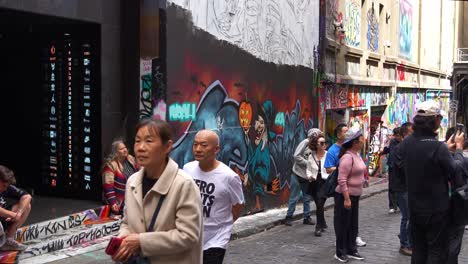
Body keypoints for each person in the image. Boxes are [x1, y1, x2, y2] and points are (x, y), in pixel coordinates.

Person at [113, 119, 202, 264]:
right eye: (137, 141)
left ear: (167, 146)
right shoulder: (132, 182)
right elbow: (127, 222)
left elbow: (188, 235)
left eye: (148, 141)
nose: (140, 148)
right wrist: (123, 241)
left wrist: (141, 242)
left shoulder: (183, 185)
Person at [398, 100, 465, 264]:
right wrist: (459, 150)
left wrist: (444, 150)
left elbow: (414, 161)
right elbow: (456, 173)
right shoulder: (437, 148)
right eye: (440, 118)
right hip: (437, 210)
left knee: (419, 251)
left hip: (415, 208)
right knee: (436, 251)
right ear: (434, 119)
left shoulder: (407, 143)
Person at [183, 130, 244, 264]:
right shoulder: (187, 169)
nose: (198, 149)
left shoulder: (229, 177)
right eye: (195, 145)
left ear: (216, 149)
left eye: (204, 145)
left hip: (216, 239)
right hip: (191, 235)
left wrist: (224, 224)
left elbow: (238, 205)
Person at [325, 124, 366, 247]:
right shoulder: (339, 153)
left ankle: (352, 241)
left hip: (354, 192)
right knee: (343, 220)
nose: (347, 133)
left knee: (352, 221)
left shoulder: (355, 153)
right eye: (345, 131)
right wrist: (346, 197)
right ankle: (341, 244)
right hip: (344, 191)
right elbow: (332, 172)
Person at [333, 127, 367, 263]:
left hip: (355, 196)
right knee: (343, 224)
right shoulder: (347, 157)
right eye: (361, 139)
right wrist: (346, 198)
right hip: (345, 196)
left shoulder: (356, 155)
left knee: (353, 224)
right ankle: (340, 252)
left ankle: (351, 249)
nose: (363, 141)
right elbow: (342, 180)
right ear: (354, 142)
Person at [284, 128, 322, 226]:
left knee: (307, 198)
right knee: (294, 197)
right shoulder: (305, 143)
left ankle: (307, 217)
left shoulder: (318, 147)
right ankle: (288, 217)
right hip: (297, 174)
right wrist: (308, 163)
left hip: (307, 177)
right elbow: (296, 156)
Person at [445, 127, 467, 264]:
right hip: (456, 209)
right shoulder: (461, 159)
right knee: (453, 245)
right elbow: (458, 170)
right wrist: (458, 149)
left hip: (438, 208)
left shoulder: (438, 155)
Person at [393, 122, 414, 256]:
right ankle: (404, 245)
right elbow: (402, 167)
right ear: (406, 133)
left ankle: (406, 238)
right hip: (402, 187)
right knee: (406, 217)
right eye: (412, 132)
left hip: (409, 187)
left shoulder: (410, 147)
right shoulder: (400, 148)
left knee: (410, 216)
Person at [102, 139, 139, 215]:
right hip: (120, 202)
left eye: (125, 148)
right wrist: (113, 202)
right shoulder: (111, 165)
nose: (125, 150)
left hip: (133, 198)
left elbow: (138, 171)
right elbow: (108, 185)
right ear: (116, 152)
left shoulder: (130, 159)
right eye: (121, 149)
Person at [0, 165, 32, 251]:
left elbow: (27, 196)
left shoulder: (5, 186)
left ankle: (8, 240)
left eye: (7, 186)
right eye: (3, 186)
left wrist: (19, 213)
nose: (5, 189)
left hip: (3, 218)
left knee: (26, 206)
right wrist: (13, 214)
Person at [306, 132, 329, 237]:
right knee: (318, 204)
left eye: (325, 143)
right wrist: (310, 176)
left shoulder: (329, 155)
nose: (324, 145)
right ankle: (323, 222)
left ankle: (318, 227)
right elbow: (308, 169)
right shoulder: (311, 156)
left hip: (325, 182)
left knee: (320, 204)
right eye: (322, 143)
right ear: (316, 145)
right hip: (315, 183)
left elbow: (332, 168)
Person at [382, 127, 401, 214]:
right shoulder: (392, 141)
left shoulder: (405, 142)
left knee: (401, 186)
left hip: (401, 167)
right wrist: (387, 144)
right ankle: (392, 206)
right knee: (392, 186)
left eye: (398, 136)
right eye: (395, 135)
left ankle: (399, 204)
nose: (396, 137)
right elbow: (386, 151)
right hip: (392, 166)